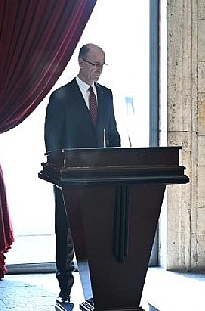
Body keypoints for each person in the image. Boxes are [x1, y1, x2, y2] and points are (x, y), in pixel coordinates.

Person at [44, 43, 121, 308]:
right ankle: (64, 290)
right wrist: (58, 168)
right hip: (69, 179)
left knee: (97, 233)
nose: (98, 70)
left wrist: (118, 162)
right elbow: (52, 140)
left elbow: (112, 135)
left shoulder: (107, 96)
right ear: (81, 62)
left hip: (100, 179)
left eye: (102, 64)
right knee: (66, 233)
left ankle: (96, 289)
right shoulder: (61, 96)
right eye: (94, 64)